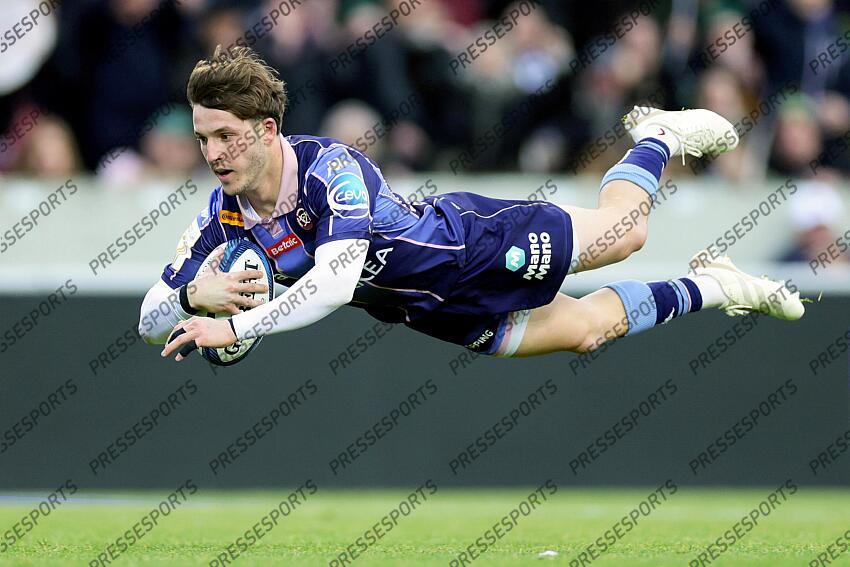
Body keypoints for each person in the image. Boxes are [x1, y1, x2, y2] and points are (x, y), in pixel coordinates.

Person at [144, 46, 803, 362]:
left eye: (225, 135)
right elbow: (151, 319)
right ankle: (715, 286)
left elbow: (335, 284)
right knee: (587, 331)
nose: (213, 152)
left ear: (266, 130)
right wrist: (193, 295)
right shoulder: (219, 219)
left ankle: (657, 135)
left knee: (625, 235)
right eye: (203, 138)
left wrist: (238, 327)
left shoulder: (329, 171)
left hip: (471, 245)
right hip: (432, 310)